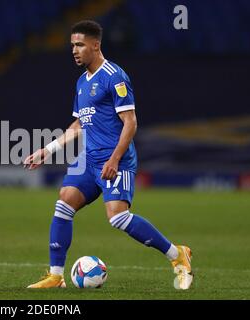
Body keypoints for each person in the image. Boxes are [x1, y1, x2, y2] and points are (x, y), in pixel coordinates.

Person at [23, 20, 193, 290]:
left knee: (117, 217)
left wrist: (114, 159)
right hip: (89, 159)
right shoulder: (81, 82)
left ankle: (177, 254)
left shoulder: (115, 76)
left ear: (95, 45)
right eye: (71, 46)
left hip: (116, 159)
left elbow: (131, 122)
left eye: (79, 45)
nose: (74, 51)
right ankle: (56, 276)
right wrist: (48, 149)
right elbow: (79, 124)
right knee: (64, 202)